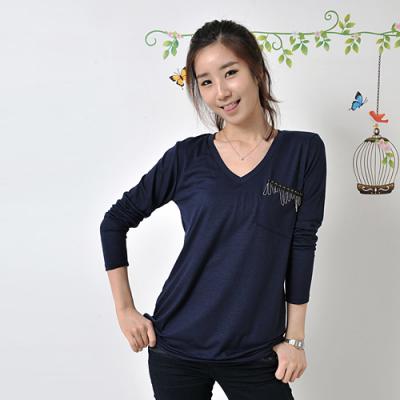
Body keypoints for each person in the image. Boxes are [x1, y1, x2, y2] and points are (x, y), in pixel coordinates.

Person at [100, 19, 327, 400]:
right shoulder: (186, 158)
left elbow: (302, 243)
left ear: (256, 70)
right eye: (206, 81)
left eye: (230, 73)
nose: (221, 92)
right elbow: (114, 222)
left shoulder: (303, 152)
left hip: (257, 353)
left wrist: (295, 339)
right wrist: (125, 311)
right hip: (176, 347)